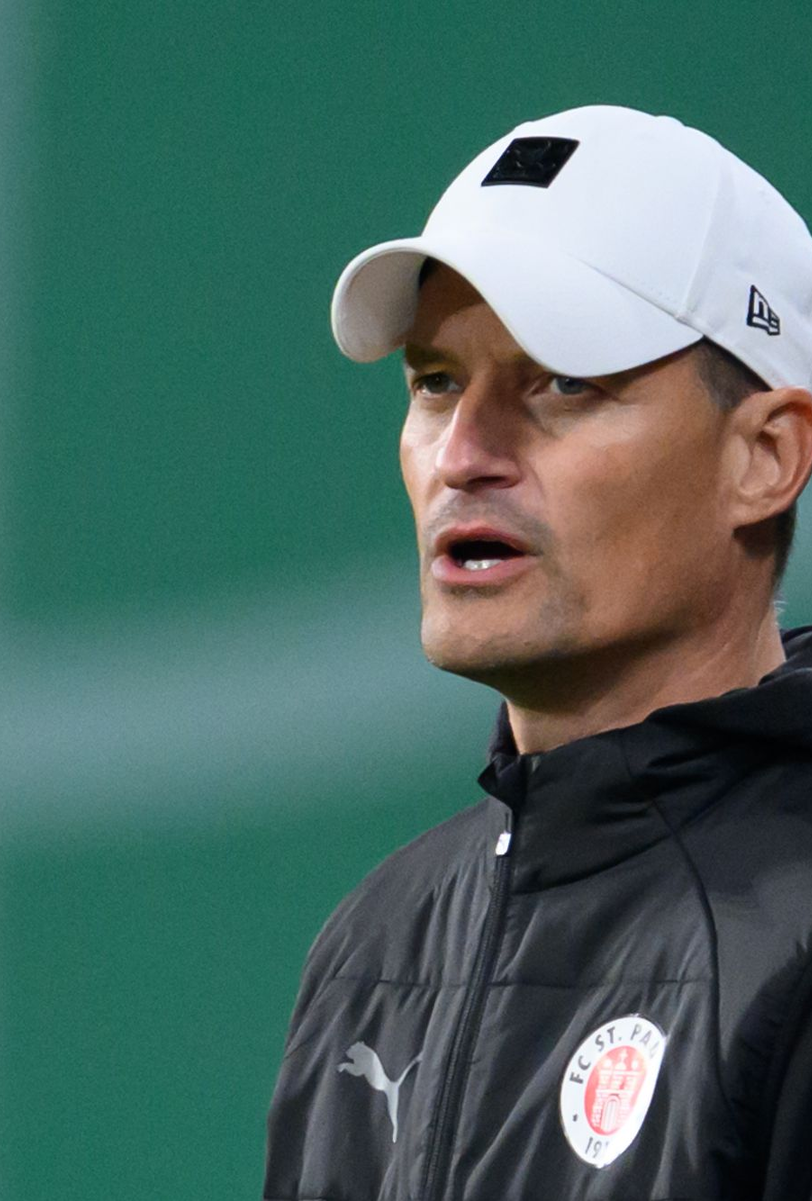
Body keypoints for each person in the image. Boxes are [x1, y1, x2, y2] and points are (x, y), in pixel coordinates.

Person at [263, 104, 812, 1201]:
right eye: (435, 382)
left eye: (563, 381)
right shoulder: (373, 945)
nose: (465, 454)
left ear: (765, 456)